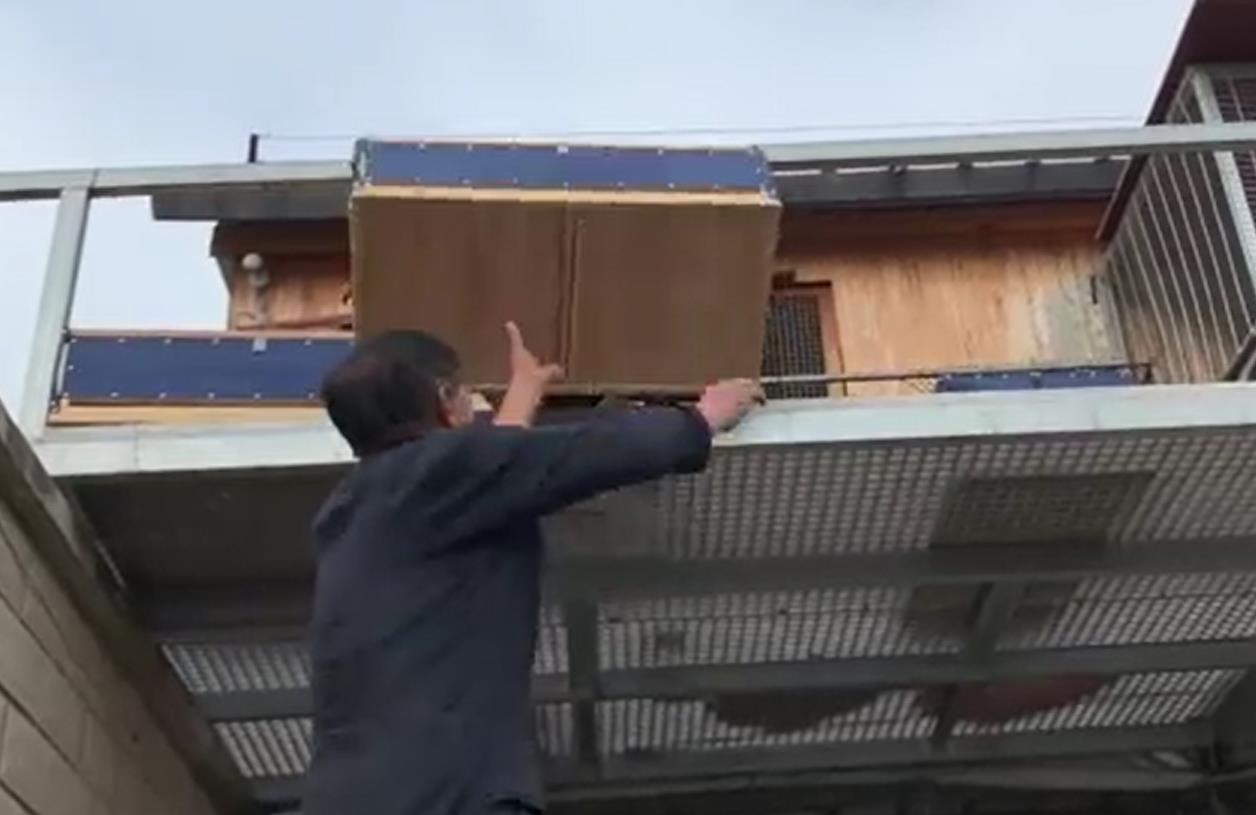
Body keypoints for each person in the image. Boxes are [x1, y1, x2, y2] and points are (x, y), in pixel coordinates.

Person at [304, 322, 763, 815]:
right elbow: (582, 453)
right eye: (463, 390)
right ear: (443, 398)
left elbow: (495, 471)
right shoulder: (438, 474)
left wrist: (524, 390)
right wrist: (700, 420)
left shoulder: (356, 508)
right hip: (447, 794)